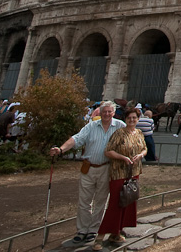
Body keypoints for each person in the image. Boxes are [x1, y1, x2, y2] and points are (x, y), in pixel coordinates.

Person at [49, 101, 125, 248]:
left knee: (101, 202)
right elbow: (76, 139)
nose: (107, 114)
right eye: (104, 112)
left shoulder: (120, 126)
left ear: (114, 113)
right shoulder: (91, 126)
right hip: (88, 167)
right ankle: (82, 230)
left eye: (110, 112)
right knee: (84, 201)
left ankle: (94, 230)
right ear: (100, 112)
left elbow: (131, 137)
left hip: (107, 168)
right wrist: (61, 149)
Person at [93, 107, 147, 250]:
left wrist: (141, 155)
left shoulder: (139, 133)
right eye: (129, 118)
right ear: (125, 119)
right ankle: (99, 237)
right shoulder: (119, 133)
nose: (132, 120)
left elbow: (144, 148)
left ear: (138, 119)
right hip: (118, 173)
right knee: (115, 204)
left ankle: (116, 233)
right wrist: (123, 158)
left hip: (134, 172)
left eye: (134, 118)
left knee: (128, 202)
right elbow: (108, 151)